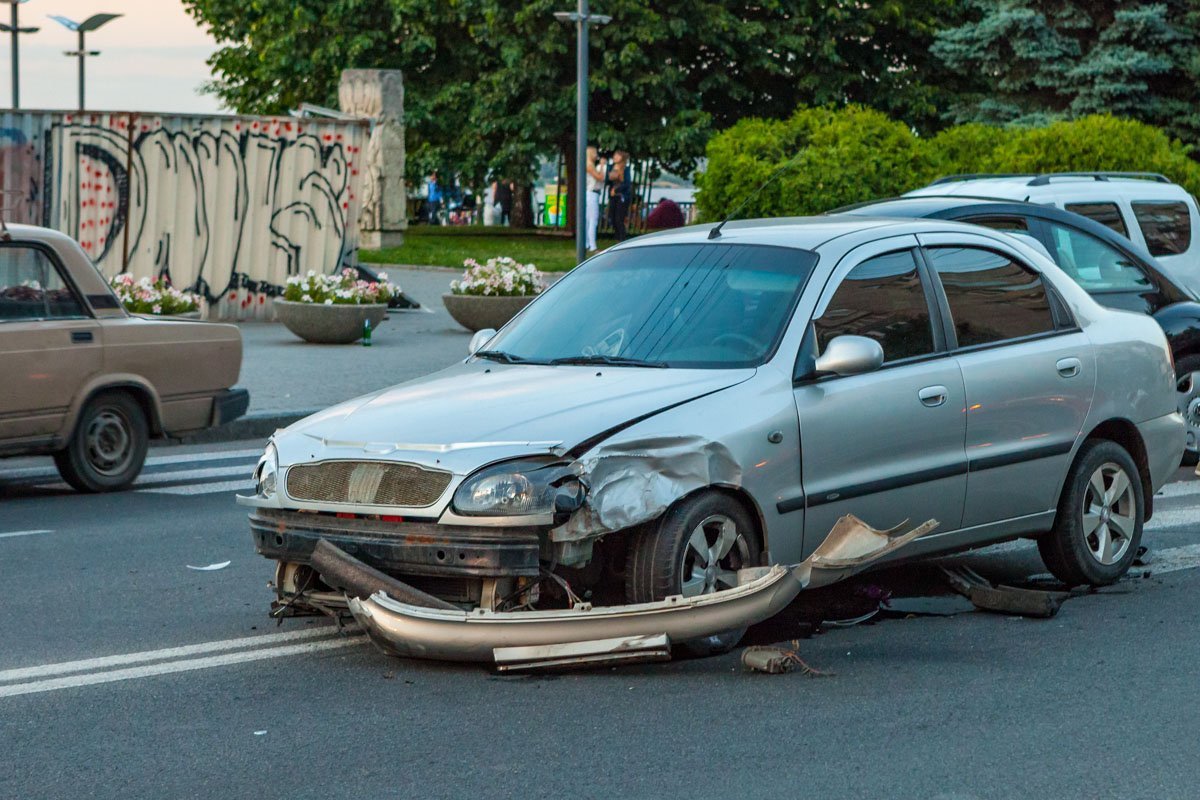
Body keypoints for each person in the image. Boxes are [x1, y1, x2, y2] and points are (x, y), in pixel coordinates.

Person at [608, 151, 633, 242]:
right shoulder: (611, 167)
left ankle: (622, 239)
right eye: (614, 155)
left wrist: (616, 190)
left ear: (622, 157)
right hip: (613, 196)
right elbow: (607, 181)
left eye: (617, 155)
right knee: (612, 217)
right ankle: (617, 236)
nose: (615, 157)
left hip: (622, 197)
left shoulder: (626, 169)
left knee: (619, 218)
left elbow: (627, 183)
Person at [585, 146, 605, 251]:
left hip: (591, 193)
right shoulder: (589, 165)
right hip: (592, 193)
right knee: (593, 220)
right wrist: (602, 166)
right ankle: (593, 246)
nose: (597, 156)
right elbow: (600, 178)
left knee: (588, 221)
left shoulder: (588, 165)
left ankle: (587, 244)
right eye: (595, 153)